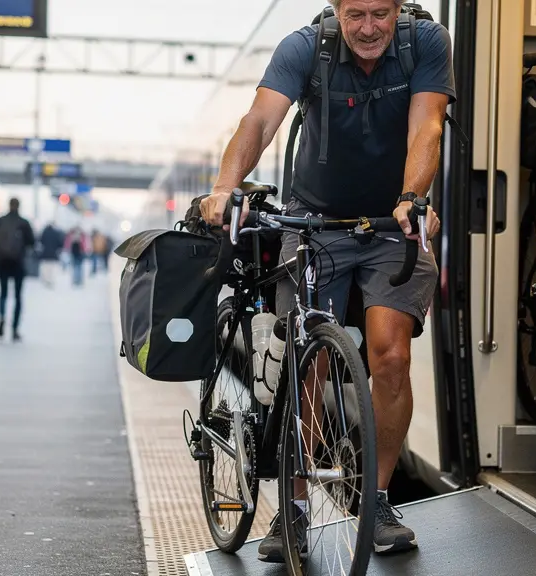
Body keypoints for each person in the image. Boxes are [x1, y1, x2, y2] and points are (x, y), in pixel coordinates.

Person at [200, 0, 453, 562]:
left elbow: (427, 125)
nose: (368, 28)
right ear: (337, 11)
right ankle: (291, 507)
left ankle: (379, 499)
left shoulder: (426, 44)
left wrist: (412, 199)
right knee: (306, 358)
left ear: (397, 9)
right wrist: (224, 186)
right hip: (314, 223)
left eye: (380, 14)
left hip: (392, 222)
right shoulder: (304, 48)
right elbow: (260, 120)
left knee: (390, 358)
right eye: (355, 14)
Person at [0, 198, 34, 341]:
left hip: (2, 263)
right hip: (18, 263)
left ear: (9, 205)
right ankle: (15, 329)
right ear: (19, 206)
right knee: (18, 297)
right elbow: (32, 242)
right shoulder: (24, 223)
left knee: (3, 293)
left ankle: (1, 317)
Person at [37, 221, 65, 289]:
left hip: (45, 253)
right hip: (53, 253)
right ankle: (50, 280)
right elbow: (60, 243)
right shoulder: (56, 233)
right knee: (52, 268)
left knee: (45, 267)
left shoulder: (44, 232)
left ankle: (46, 280)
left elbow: (40, 241)